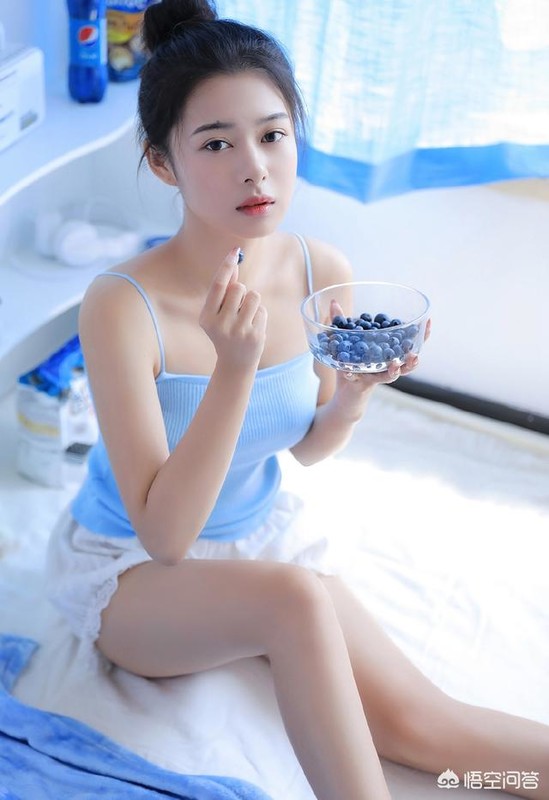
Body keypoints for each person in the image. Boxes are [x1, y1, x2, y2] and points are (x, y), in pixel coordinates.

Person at [46, 1, 548, 798]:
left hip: (260, 543)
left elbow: (307, 447)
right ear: (163, 164)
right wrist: (233, 368)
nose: (255, 168)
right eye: (217, 143)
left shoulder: (320, 271)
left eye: (272, 135)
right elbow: (166, 535)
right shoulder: (121, 306)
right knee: (293, 600)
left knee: (425, 726)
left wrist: (351, 399)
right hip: (132, 572)